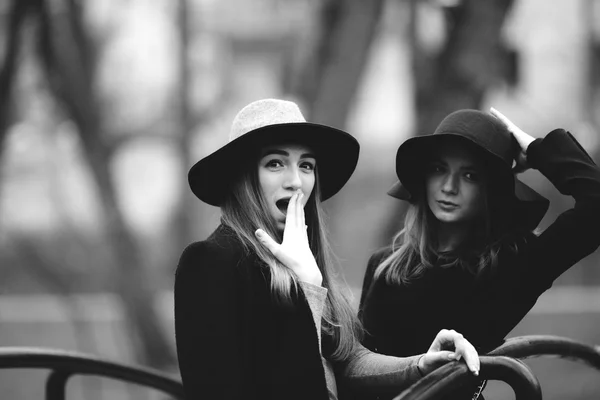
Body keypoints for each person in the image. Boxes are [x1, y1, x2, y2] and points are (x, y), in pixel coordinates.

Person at [174, 99, 480, 400]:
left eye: (306, 165)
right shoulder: (210, 262)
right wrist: (306, 290)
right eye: (275, 163)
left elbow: (346, 361)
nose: (296, 182)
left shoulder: (305, 262)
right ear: (244, 177)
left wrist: (421, 364)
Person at [359, 108, 600, 399]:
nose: (449, 187)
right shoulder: (386, 264)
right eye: (439, 169)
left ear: (491, 189)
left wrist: (538, 151)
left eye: (469, 175)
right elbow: (356, 366)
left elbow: (595, 207)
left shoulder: (515, 264)